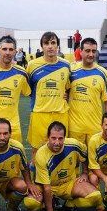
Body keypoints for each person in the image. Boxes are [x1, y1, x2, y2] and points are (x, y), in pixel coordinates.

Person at [24, 121, 104, 211]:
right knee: (30, 204)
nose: (57, 142)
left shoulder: (74, 144)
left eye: (60, 138)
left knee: (96, 197)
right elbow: (47, 188)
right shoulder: (41, 154)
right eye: (53, 138)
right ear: (48, 137)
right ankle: (45, 206)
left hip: (68, 185)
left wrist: (85, 172)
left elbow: (84, 155)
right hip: (48, 186)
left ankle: (70, 204)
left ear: (64, 138)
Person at [26, 32, 70, 166]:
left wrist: (65, 94)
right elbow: (28, 89)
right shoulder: (32, 66)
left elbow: (68, 87)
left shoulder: (66, 65)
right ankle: (35, 183)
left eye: (53, 43)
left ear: (58, 46)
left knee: (61, 150)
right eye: (46, 43)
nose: (50, 46)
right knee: (37, 151)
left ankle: (58, 182)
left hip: (60, 114)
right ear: (42, 47)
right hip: (40, 114)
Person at [68, 38, 107, 144]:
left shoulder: (103, 73)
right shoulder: (71, 70)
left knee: (93, 159)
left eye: (94, 51)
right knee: (73, 159)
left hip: (95, 128)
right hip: (74, 128)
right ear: (81, 51)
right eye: (88, 51)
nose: (91, 54)